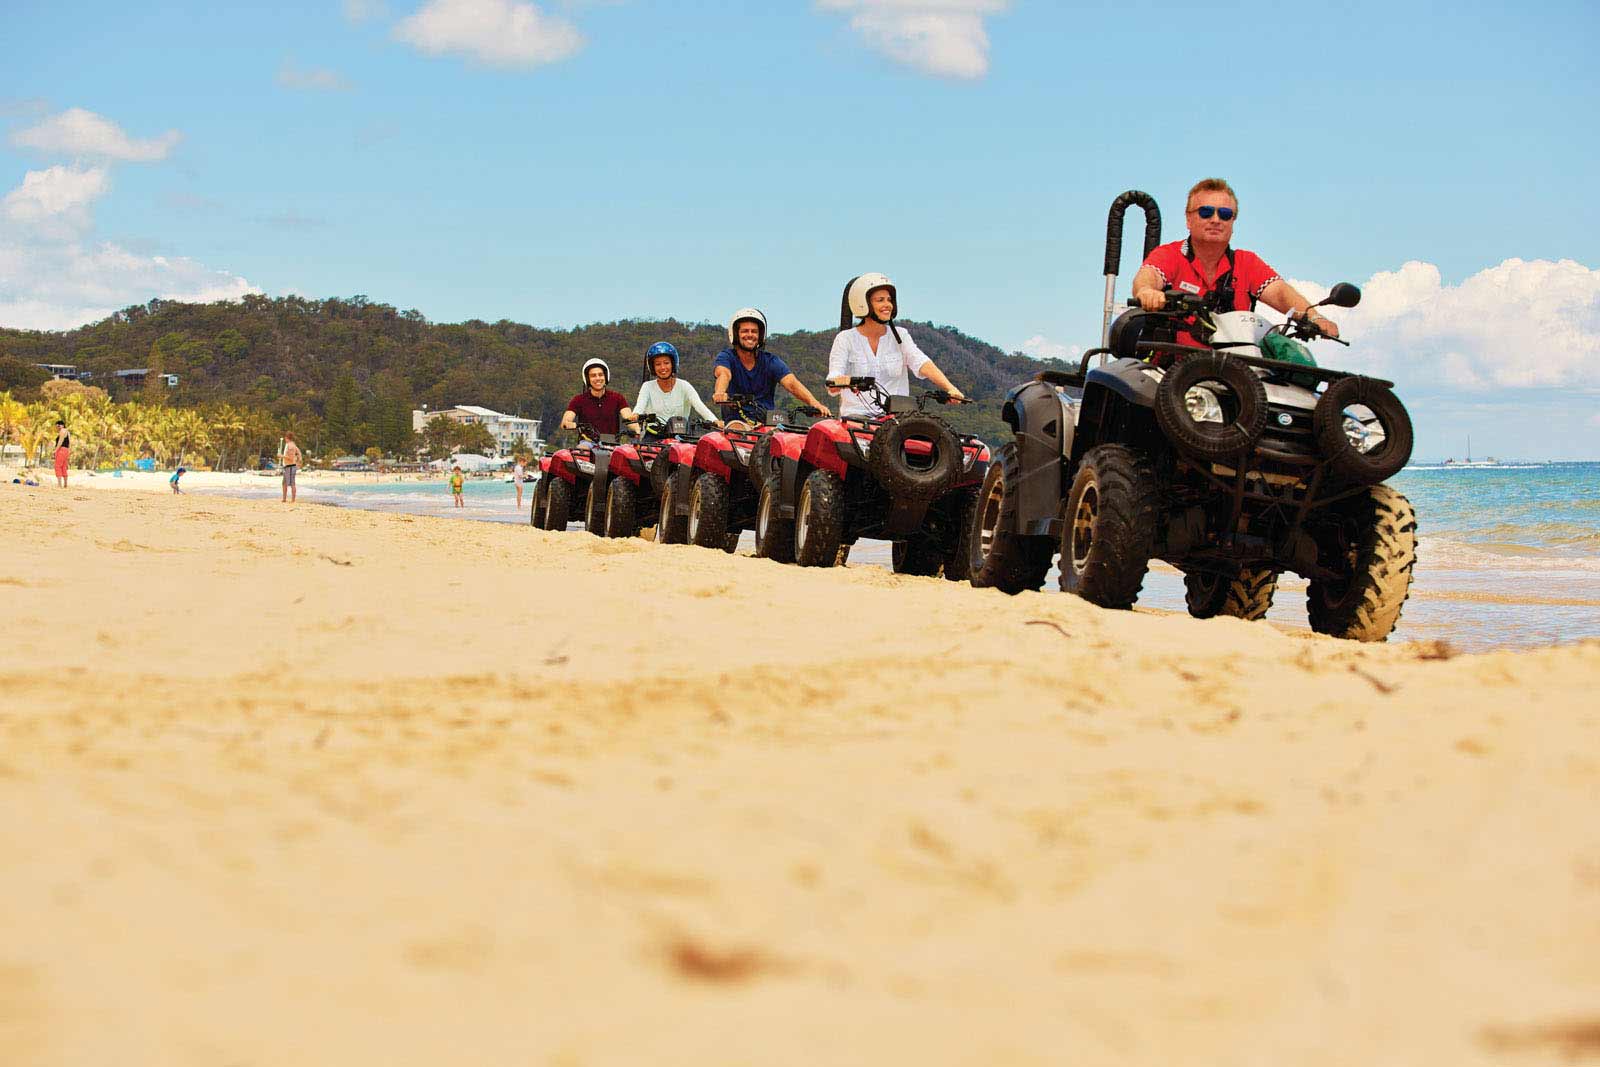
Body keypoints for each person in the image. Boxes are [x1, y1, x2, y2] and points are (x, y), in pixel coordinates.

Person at [1129, 177, 1342, 341]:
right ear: (1188, 219)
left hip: (1234, 371)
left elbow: (1279, 292)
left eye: (1224, 214)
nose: (1215, 220)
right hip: (1171, 369)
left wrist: (1314, 317)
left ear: (1233, 221)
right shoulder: (1170, 254)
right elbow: (1148, 276)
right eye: (1205, 212)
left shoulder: (1246, 262)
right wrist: (1147, 292)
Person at [826, 274, 965, 418]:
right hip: (857, 417)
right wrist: (843, 381)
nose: (888, 305)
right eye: (880, 300)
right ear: (863, 303)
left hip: (896, 418)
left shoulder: (900, 335)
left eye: (889, 300)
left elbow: (920, 362)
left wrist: (950, 388)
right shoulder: (845, 338)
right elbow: (834, 377)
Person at [712, 308, 830, 417]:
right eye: (745, 331)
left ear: (760, 335)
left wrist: (815, 403)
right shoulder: (726, 357)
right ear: (736, 334)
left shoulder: (770, 361)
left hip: (767, 423)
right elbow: (724, 374)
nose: (750, 335)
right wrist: (720, 393)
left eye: (754, 331)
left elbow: (791, 383)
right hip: (737, 423)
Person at [633, 342, 722, 428]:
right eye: (658, 364)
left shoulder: (684, 386)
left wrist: (715, 421)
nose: (663, 367)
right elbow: (640, 406)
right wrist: (635, 415)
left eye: (666, 363)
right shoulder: (647, 386)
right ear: (653, 367)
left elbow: (699, 406)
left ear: (673, 364)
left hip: (681, 435)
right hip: (653, 436)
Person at [559, 358, 638, 436]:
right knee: (583, 446)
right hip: (588, 444)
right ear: (587, 379)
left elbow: (628, 417)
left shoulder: (617, 398)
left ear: (606, 377)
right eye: (593, 376)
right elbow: (565, 422)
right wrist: (570, 424)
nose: (597, 378)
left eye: (600, 375)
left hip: (613, 444)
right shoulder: (578, 400)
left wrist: (637, 428)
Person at [281, 431, 302, 503]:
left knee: (292, 483)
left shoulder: (290, 446)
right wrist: (299, 461)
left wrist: (281, 456)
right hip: (289, 466)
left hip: (289, 466)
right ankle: (284, 499)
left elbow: (290, 458)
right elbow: (299, 453)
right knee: (284, 483)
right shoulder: (293, 445)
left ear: (286, 437)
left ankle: (292, 500)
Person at [52, 419, 69, 487]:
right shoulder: (67, 432)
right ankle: (65, 484)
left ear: (61, 425)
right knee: (64, 466)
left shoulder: (62, 431)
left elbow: (60, 441)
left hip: (61, 450)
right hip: (66, 450)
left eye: (58, 426)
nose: (57, 428)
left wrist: (55, 450)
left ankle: (59, 484)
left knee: (57, 466)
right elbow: (69, 443)